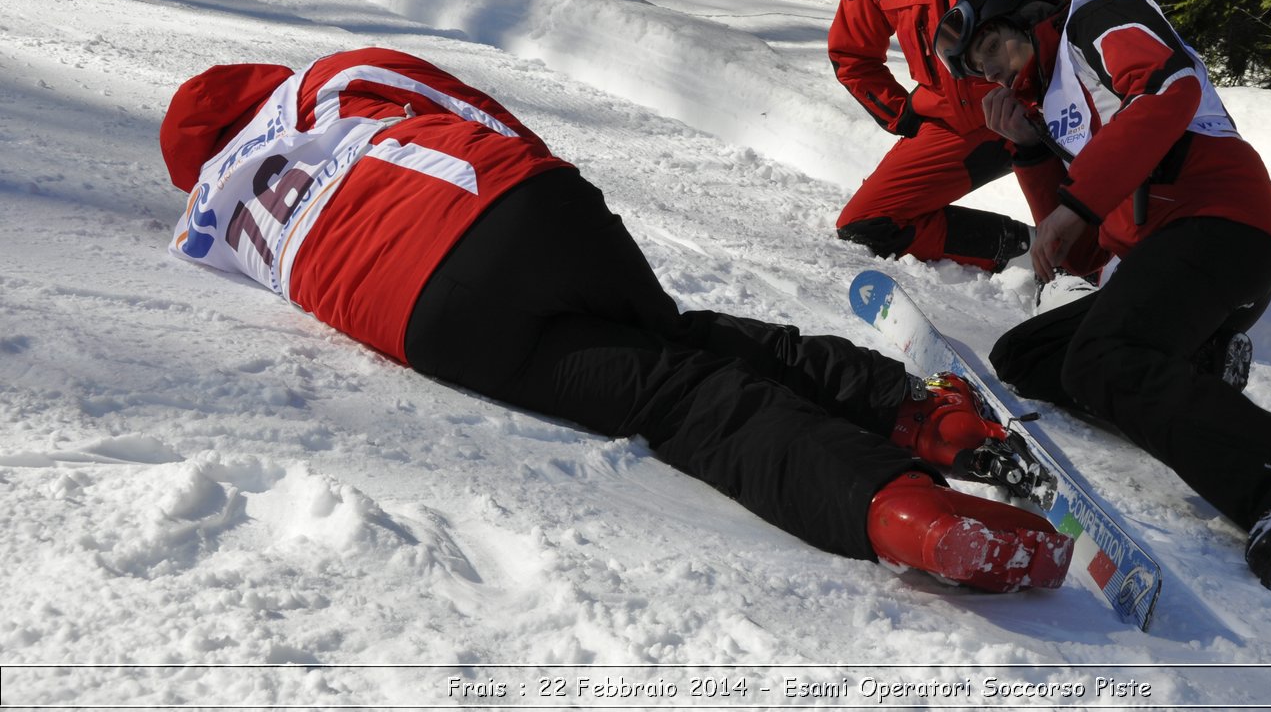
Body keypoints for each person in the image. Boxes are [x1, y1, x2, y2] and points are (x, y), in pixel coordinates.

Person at [158, 46, 1073, 593]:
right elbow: (474, 109)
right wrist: (545, 188)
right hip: (513, 206)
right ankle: (926, 417)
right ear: (258, 83)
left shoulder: (213, 225)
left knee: (677, 397)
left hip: (433, 319)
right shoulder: (324, 81)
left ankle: (906, 517)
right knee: (680, 334)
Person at [931, 0, 1271, 589]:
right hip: (1169, 258)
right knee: (1032, 354)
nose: (992, 71)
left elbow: (1170, 92)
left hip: (1223, 226)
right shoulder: (1052, 105)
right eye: (979, 67)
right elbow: (1077, 251)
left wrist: (1072, 210)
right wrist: (1028, 148)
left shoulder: (1095, 16)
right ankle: (1199, 370)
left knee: (1103, 357)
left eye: (993, 47)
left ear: (1028, 17)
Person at [827, 0, 1135, 272]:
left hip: (1045, 113)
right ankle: (1019, 249)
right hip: (958, 128)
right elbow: (849, 54)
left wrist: (1086, 77)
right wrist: (902, 113)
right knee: (866, 224)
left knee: (1086, 257)